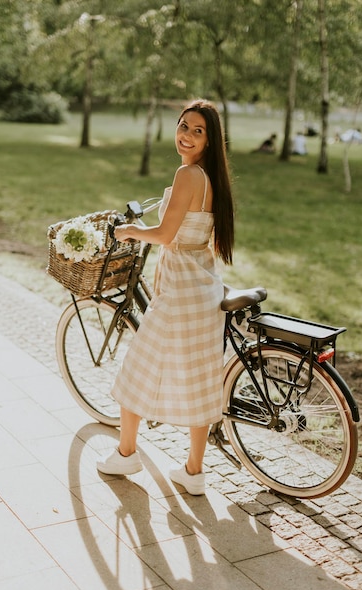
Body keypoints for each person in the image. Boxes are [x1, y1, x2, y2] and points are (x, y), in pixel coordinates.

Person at [95, 100, 234, 495]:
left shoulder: (188, 173)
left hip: (179, 296)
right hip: (203, 288)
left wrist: (131, 232)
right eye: (183, 126)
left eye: (197, 131)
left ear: (210, 140)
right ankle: (194, 472)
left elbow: (165, 236)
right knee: (200, 379)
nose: (186, 135)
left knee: (134, 370)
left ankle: (126, 454)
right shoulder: (211, 178)